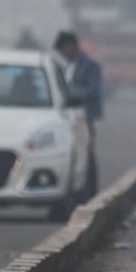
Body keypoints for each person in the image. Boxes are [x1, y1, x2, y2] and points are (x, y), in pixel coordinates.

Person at [53, 31, 103, 198]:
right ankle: (75, 189)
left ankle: (89, 192)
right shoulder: (66, 66)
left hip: (84, 117)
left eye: (63, 51)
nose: (63, 55)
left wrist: (71, 94)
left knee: (86, 156)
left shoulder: (90, 65)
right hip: (68, 118)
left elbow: (93, 90)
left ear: (72, 46)